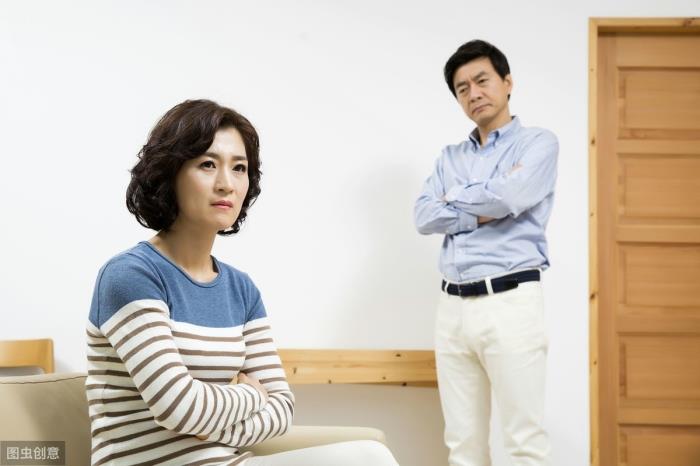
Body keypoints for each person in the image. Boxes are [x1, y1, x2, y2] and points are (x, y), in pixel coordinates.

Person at [86, 99, 399, 466]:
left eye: (239, 168)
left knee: (369, 455)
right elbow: (178, 407)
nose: (226, 184)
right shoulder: (132, 275)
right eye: (207, 164)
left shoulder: (241, 289)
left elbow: (281, 408)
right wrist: (251, 396)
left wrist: (210, 426)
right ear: (170, 173)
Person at [414, 40, 558, 466]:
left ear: (507, 82)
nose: (473, 93)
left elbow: (513, 195)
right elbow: (424, 216)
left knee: (524, 442)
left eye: (482, 81)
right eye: (462, 88)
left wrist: (455, 198)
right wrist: (488, 200)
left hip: (510, 302)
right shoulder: (450, 156)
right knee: (463, 446)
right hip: (452, 308)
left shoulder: (537, 143)